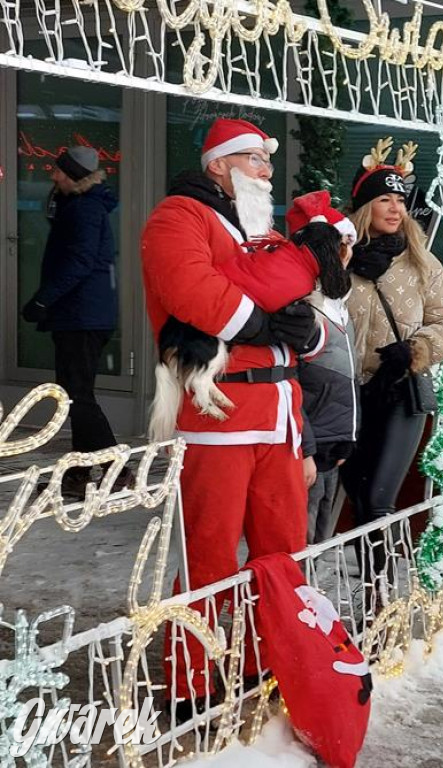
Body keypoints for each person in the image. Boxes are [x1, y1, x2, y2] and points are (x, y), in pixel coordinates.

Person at [141, 118, 322, 717]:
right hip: (218, 413)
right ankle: (190, 682)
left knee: (283, 553)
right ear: (218, 164)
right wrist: (265, 325)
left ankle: (264, 661)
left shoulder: (263, 230)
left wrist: (308, 331)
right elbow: (190, 289)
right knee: (209, 556)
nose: (267, 171)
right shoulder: (179, 216)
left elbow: (310, 314)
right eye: (253, 159)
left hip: (281, 415)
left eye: (267, 161)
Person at [339, 138, 443, 587]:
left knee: (377, 498)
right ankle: (370, 589)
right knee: (357, 494)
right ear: (363, 207)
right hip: (347, 394)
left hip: (399, 392)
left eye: (400, 201)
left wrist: (416, 350)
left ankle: (379, 597)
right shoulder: (339, 258)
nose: (395, 209)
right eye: (384, 200)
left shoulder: (420, 261)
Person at [22, 146, 134, 497]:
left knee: (77, 396)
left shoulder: (85, 209)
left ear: (74, 176)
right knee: (75, 396)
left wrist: (44, 299)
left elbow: (79, 262)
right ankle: (79, 474)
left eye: (59, 171)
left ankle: (117, 470)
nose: (53, 176)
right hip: (83, 314)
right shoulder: (80, 205)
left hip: (81, 316)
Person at [283, 192, 360, 545]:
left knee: (320, 532)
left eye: (349, 245)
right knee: (301, 531)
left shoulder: (338, 304)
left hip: (332, 445)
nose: (347, 253)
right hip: (310, 447)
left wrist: (344, 438)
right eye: (340, 244)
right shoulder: (303, 309)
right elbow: (292, 384)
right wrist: (307, 449)